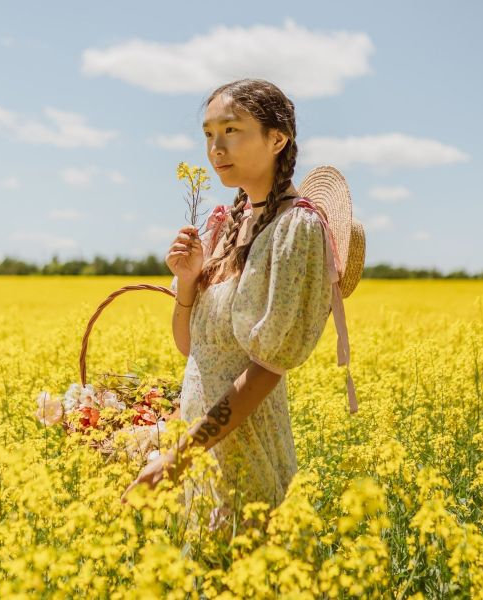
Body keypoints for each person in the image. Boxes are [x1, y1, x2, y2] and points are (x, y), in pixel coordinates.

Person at [120, 78, 360, 537]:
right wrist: (188, 283)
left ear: (277, 138)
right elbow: (192, 348)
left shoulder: (297, 229)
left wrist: (179, 458)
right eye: (209, 133)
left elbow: (268, 367)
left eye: (232, 130)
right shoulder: (222, 224)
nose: (216, 147)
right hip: (196, 443)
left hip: (243, 441)